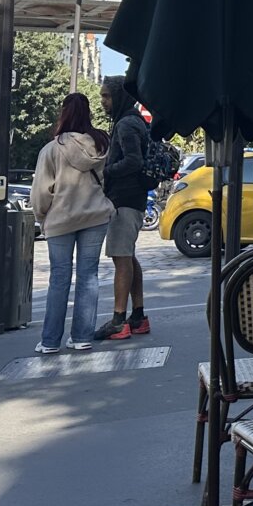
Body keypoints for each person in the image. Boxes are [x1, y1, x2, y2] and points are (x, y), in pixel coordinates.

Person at [31, 94, 114, 354]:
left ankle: (50, 340)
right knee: (89, 276)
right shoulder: (101, 144)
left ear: (64, 113)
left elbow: (41, 192)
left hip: (61, 218)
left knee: (59, 278)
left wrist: (42, 217)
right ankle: (82, 336)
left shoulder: (52, 149)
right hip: (95, 215)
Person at [94, 77, 151, 342]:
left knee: (120, 257)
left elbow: (133, 160)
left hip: (124, 198)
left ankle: (119, 320)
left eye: (106, 96)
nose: (103, 102)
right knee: (128, 256)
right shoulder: (132, 119)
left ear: (119, 96)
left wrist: (106, 171)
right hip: (133, 197)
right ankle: (138, 316)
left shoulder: (126, 123)